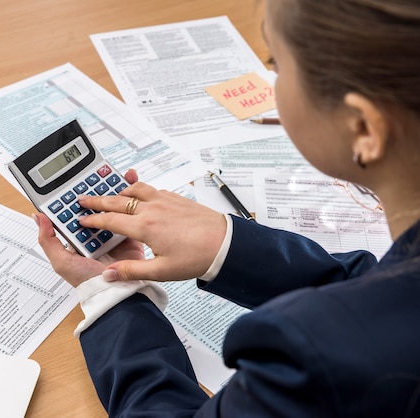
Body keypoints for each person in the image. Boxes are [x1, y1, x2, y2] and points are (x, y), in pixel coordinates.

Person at [34, 0, 420, 415]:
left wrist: (111, 297)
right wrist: (227, 245)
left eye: (275, 64)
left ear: (362, 127)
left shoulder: (313, 356)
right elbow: (385, 287)